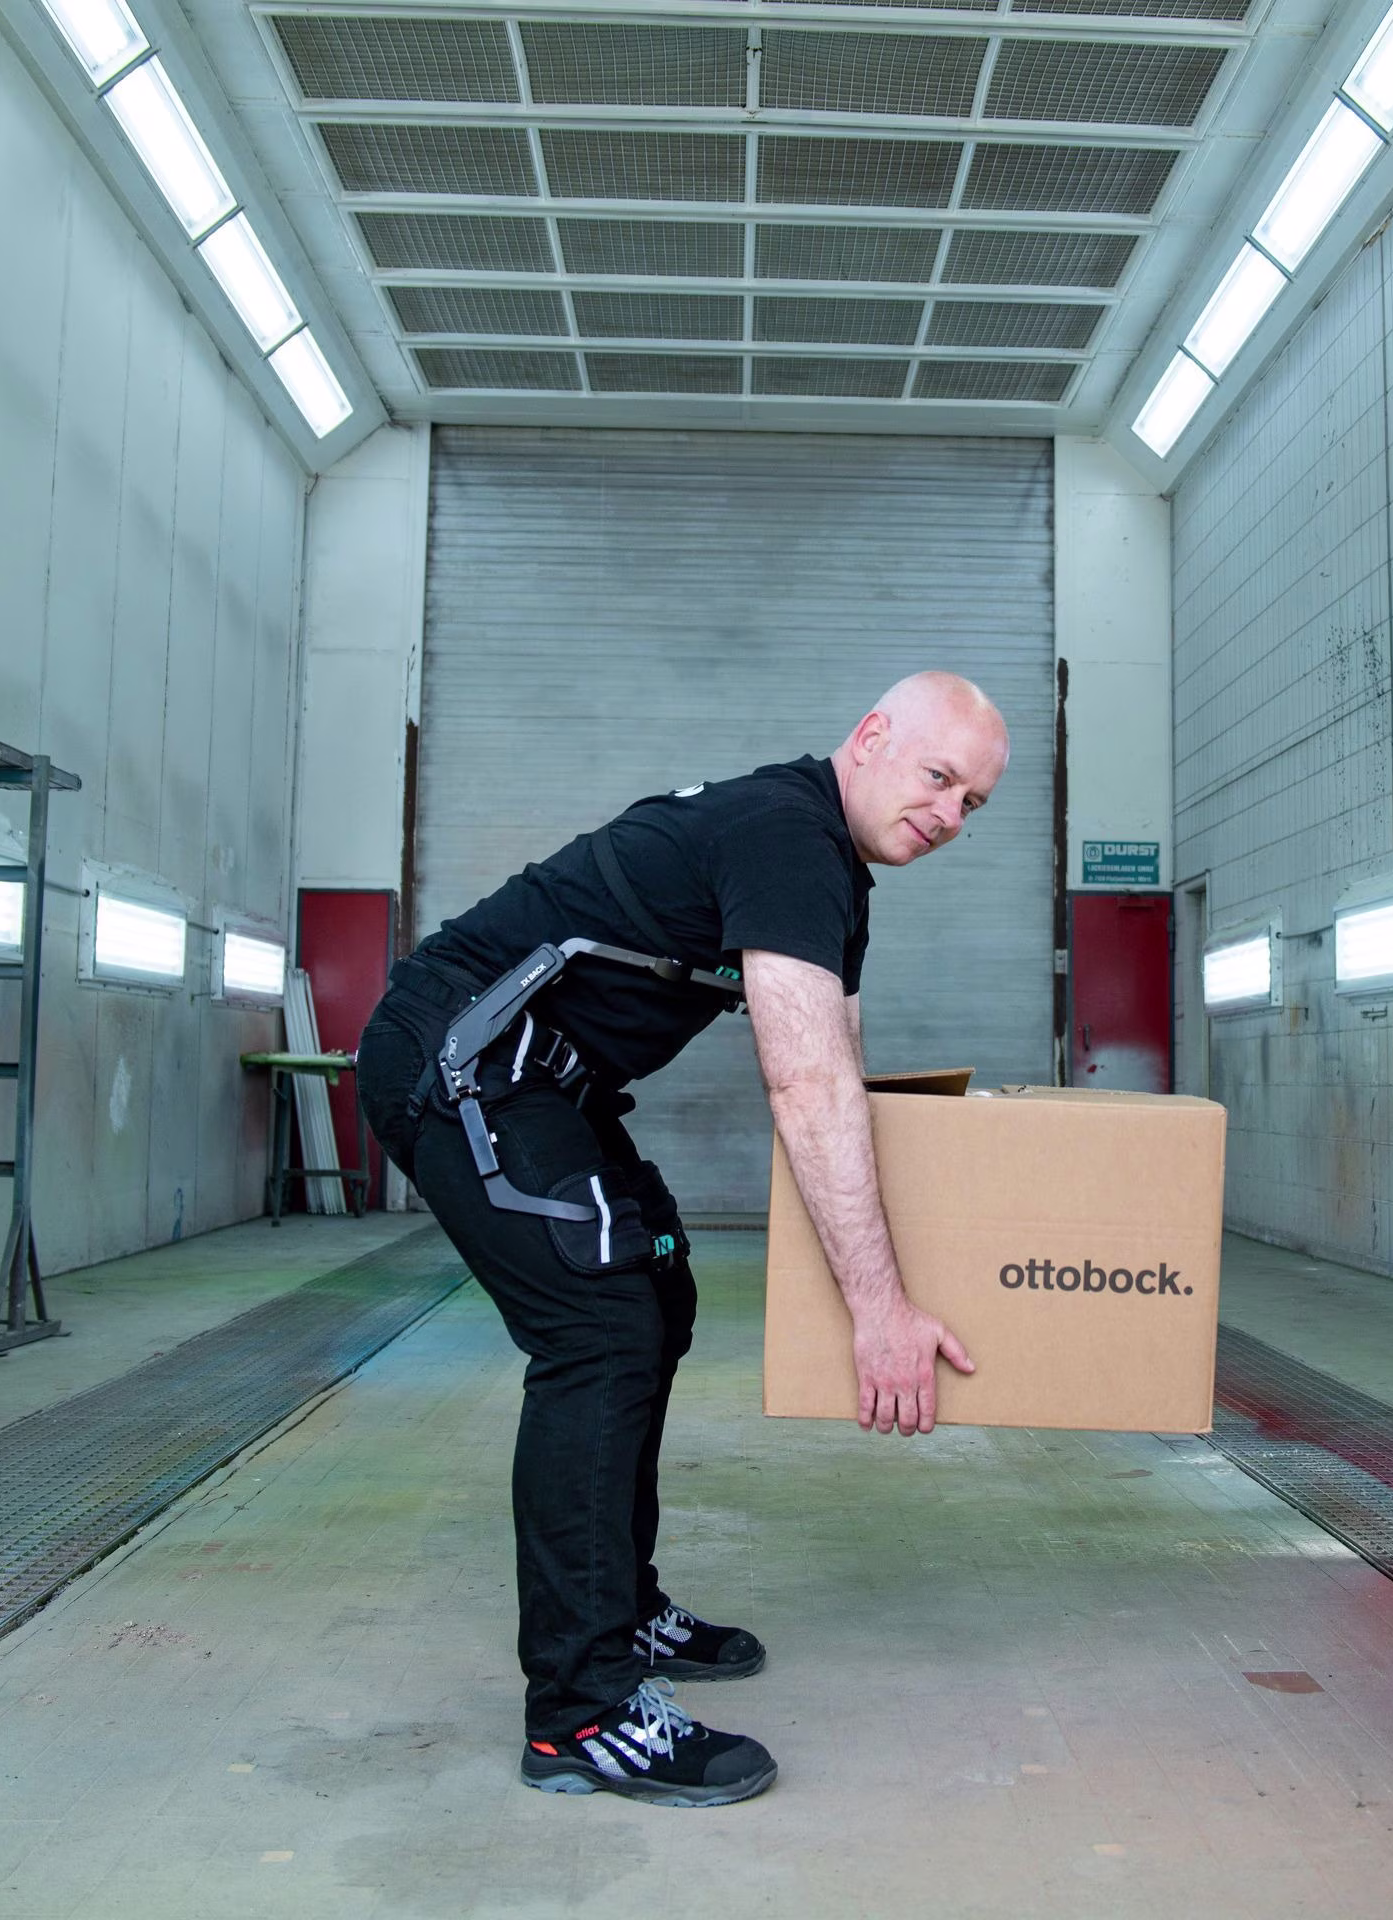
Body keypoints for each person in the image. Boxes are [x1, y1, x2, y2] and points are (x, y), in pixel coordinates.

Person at [356, 672, 1011, 1808]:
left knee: (656, 1293)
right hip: (458, 1054)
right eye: (939, 777)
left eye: (975, 804)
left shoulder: (831, 868)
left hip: (542, 1079)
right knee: (599, 1327)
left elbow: (841, 1071)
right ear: (870, 739)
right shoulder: (787, 835)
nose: (950, 815)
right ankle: (581, 1713)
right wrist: (877, 1309)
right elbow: (803, 1086)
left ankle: (622, 1609)